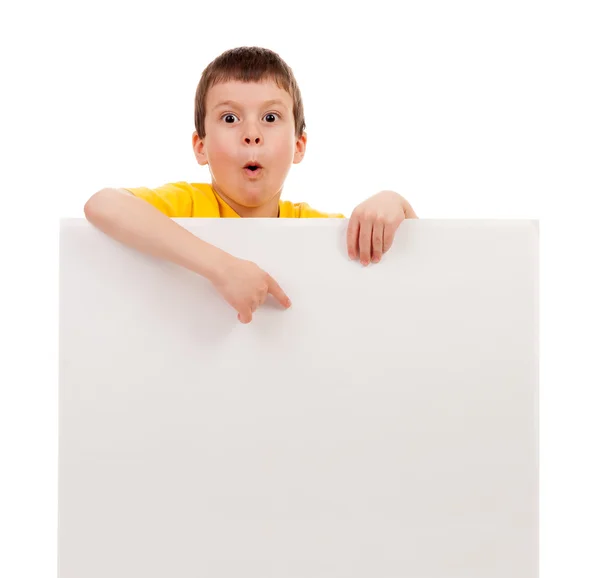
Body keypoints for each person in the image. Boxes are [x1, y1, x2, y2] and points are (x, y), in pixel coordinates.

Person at [84, 46, 418, 324]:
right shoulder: (187, 204)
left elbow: (416, 272)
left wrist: (395, 202)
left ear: (299, 146)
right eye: (230, 118)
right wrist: (221, 268)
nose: (252, 133)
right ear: (201, 146)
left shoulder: (311, 228)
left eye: (270, 118)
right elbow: (102, 204)